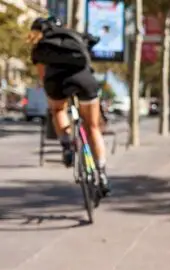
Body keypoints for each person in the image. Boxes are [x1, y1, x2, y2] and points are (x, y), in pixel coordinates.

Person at [29, 16, 111, 195]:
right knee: (93, 127)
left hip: (56, 80)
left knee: (58, 109)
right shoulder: (74, 36)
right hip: (83, 79)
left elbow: (42, 76)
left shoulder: (42, 45)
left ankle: (66, 146)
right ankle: (102, 173)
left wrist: (51, 91)